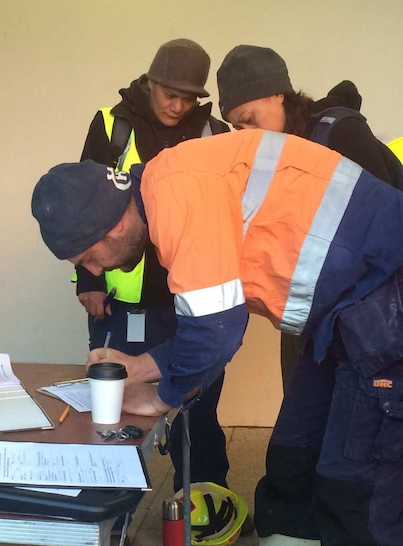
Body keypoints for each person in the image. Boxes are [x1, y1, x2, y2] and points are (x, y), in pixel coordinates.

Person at [31, 130, 403, 546]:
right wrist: (140, 366)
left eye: (89, 256)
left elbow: (215, 331)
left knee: (359, 494)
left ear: (114, 225)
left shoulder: (176, 195)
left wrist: (163, 396)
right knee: (293, 463)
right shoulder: (169, 185)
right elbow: (215, 321)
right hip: (350, 312)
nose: (94, 271)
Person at [77, 39, 235, 506]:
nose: (177, 104)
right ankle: (111, 514)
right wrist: (88, 279)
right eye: (169, 91)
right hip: (122, 298)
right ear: (149, 81)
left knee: (198, 407)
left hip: (194, 297)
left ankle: (203, 504)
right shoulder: (112, 125)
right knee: (117, 405)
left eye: (188, 96)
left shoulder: (215, 132)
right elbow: (86, 205)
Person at [215, 44, 403, 387]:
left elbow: (384, 230)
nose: (246, 135)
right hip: (306, 315)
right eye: (237, 128)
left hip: (361, 314)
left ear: (278, 94)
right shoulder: (268, 155)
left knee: (348, 428)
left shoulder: (341, 134)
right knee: (298, 427)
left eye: (249, 120)